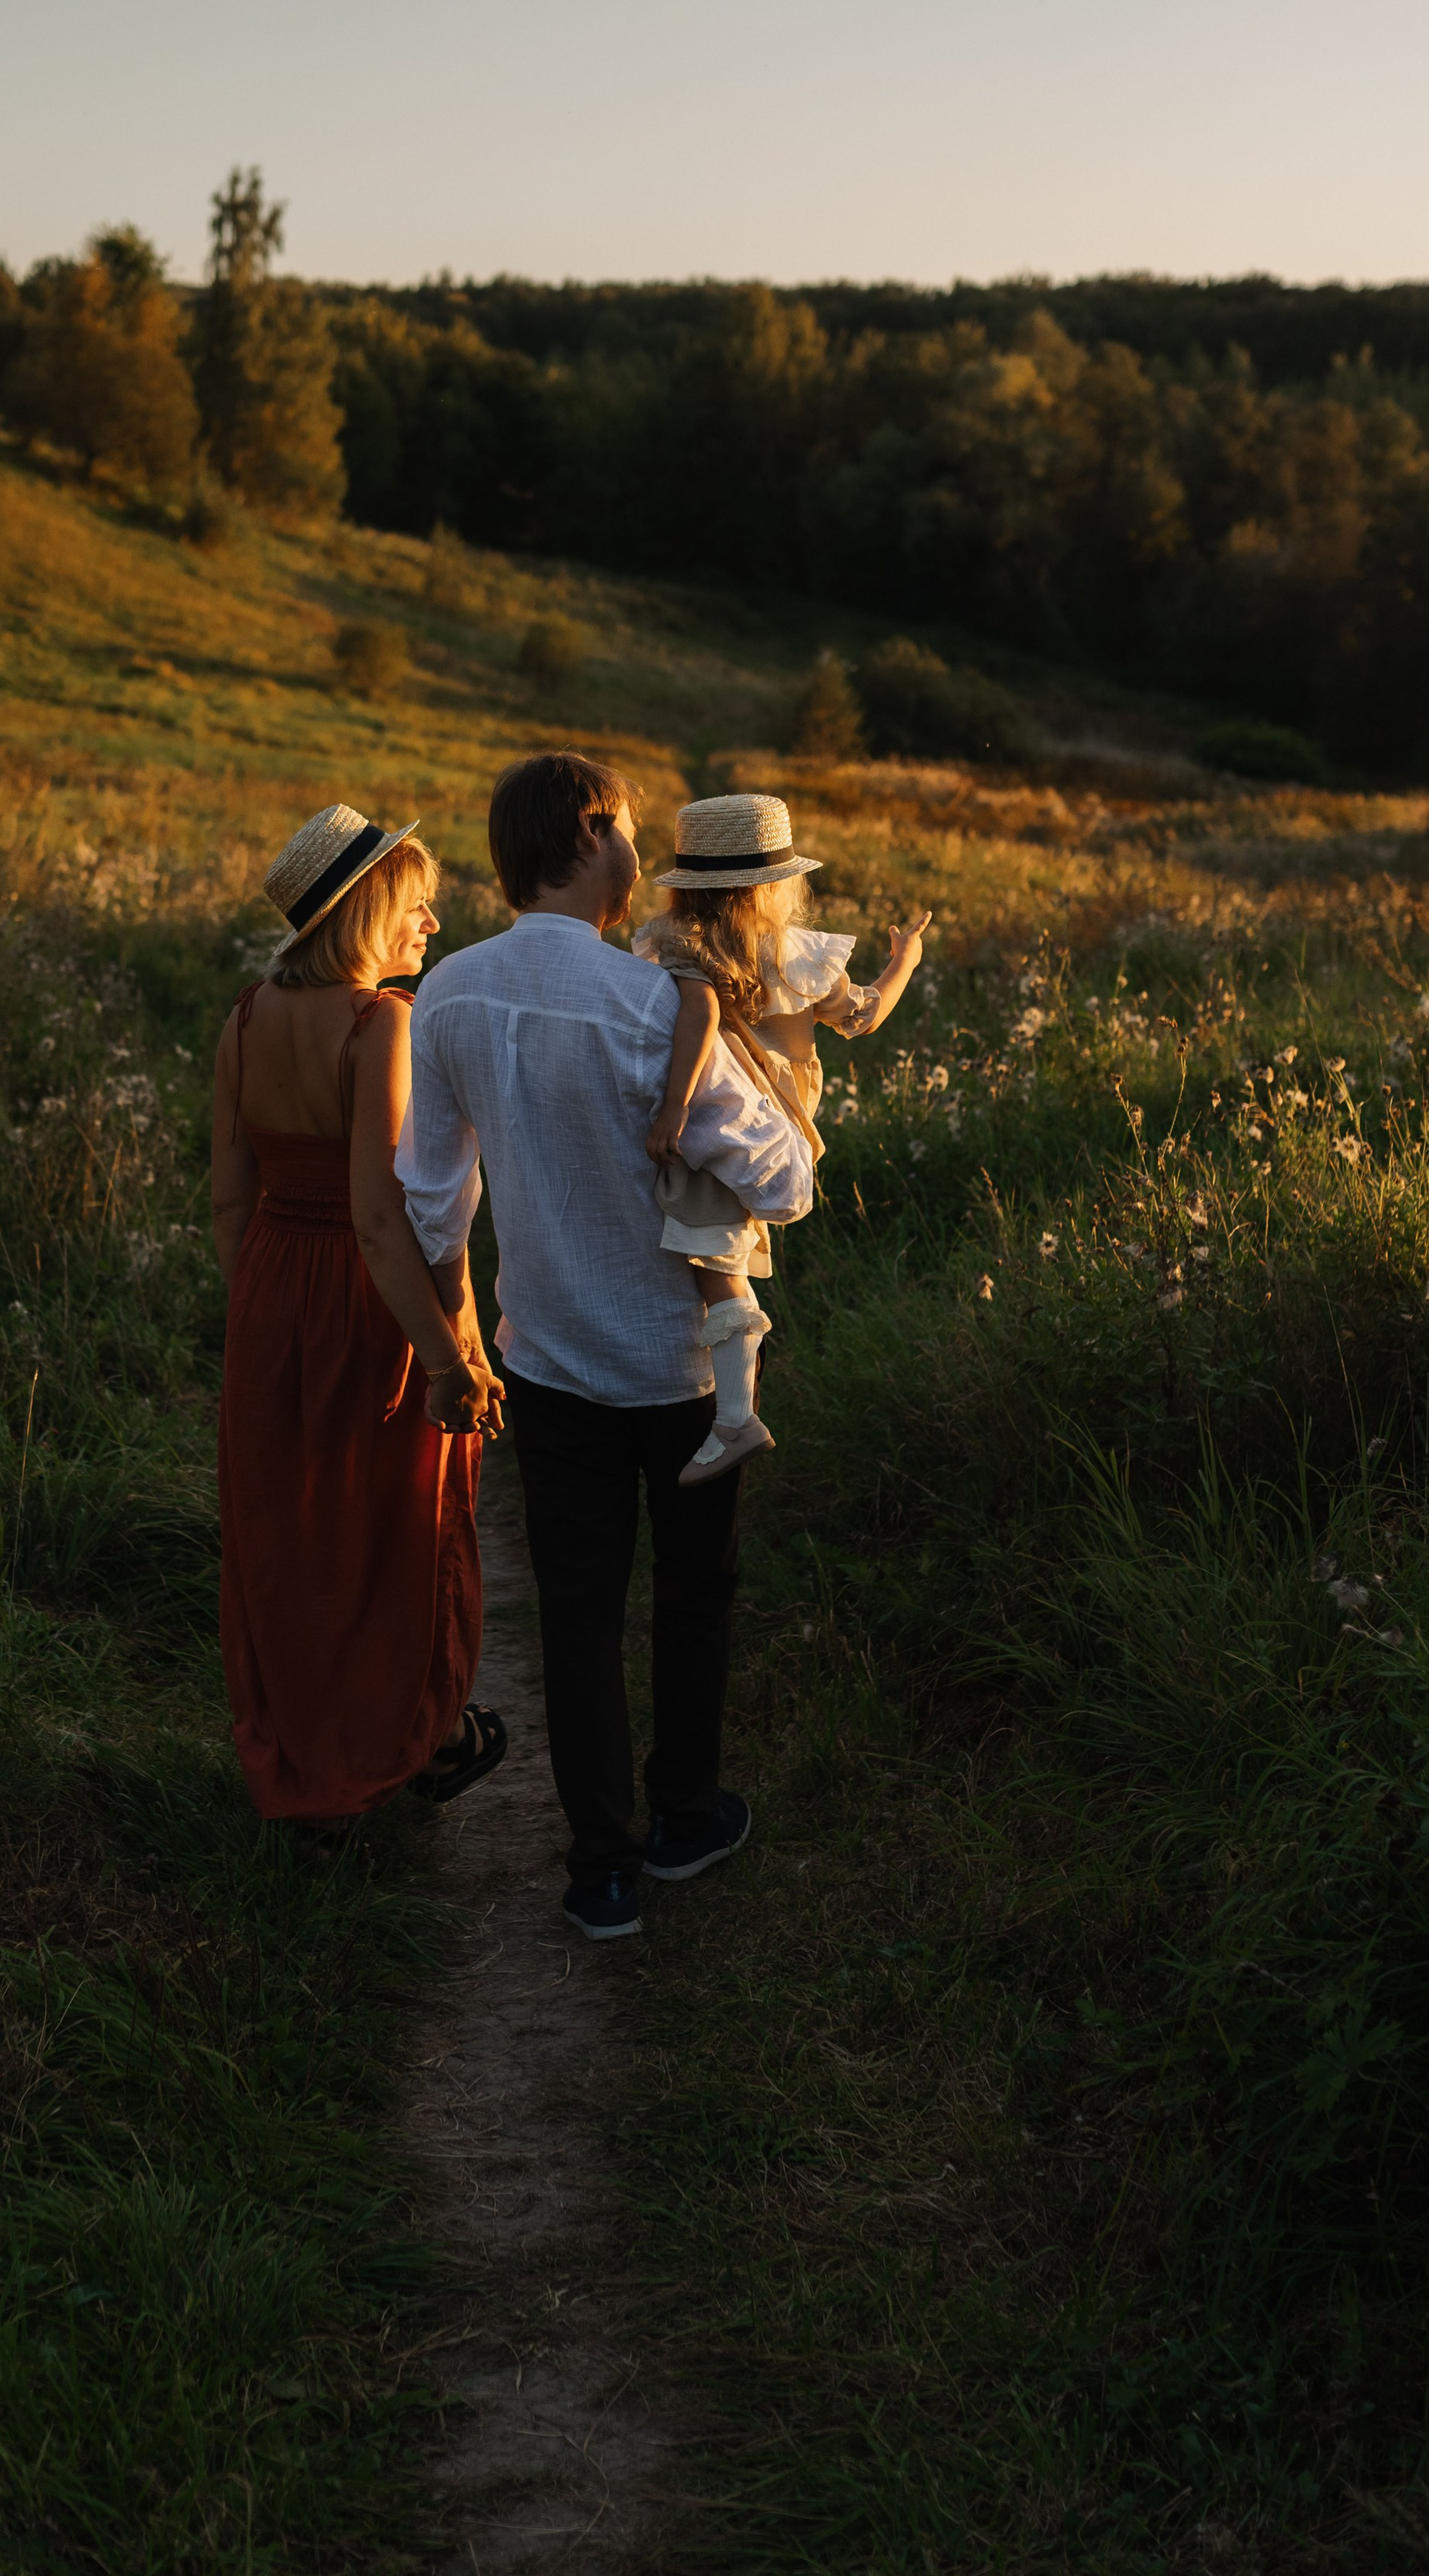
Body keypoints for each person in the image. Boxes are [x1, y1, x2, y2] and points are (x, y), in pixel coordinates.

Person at [397, 752, 813, 1939]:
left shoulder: (454, 995)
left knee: (578, 1611)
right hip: (683, 1363)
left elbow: (434, 1200)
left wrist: (456, 1335)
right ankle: (683, 1819)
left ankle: (603, 1871)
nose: (642, 857)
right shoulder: (650, 1000)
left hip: (548, 1359)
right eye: (629, 831)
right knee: (694, 1591)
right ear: (589, 835)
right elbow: (781, 1185)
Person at [212, 802, 507, 1831]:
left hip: (269, 1293)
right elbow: (383, 1222)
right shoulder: (378, 1024)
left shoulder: (244, 1017)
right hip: (360, 1296)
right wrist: (447, 1358)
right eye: (417, 906)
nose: (431, 925)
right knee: (381, 1531)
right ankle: (394, 1748)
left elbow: (227, 1199)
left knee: (290, 1533)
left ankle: (303, 1748)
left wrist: (259, 1309)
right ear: (366, 907)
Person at [637, 793, 932, 1481]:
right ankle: (735, 1414)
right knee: (719, 1255)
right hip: (776, 1128)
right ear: (778, 886)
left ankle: (737, 1418)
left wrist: (674, 1107)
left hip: (715, 1123)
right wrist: (905, 961)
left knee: (715, 1265)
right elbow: (864, 1016)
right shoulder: (799, 958)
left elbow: (691, 1025)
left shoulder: (674, 947)